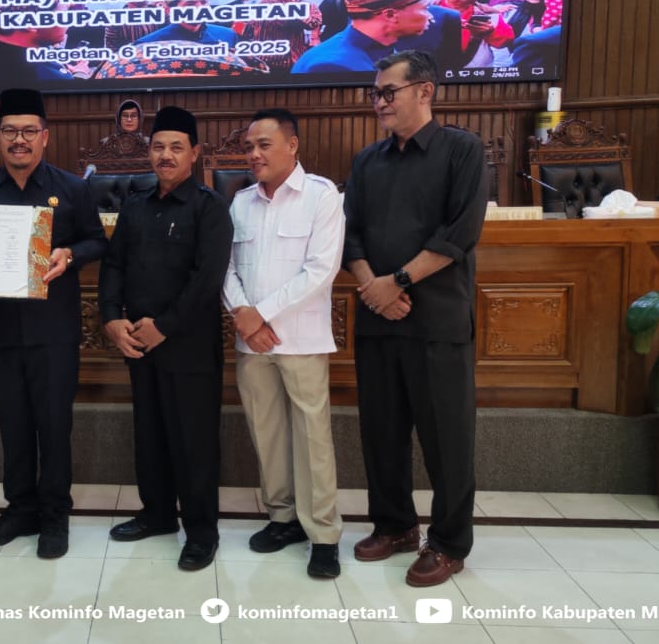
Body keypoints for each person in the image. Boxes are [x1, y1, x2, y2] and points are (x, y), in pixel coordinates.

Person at [342, 50, 488, 588]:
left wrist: (397, 282)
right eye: (375, 94)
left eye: (389, 92)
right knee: (381, 433)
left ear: (424, 91)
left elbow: (460, 232)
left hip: (437, 320)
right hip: (378, 319)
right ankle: (395, 525)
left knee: (446, 438)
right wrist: (373, 288)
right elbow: (349, 235)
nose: (379, 102)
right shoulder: (367, 161)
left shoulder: (462, 150)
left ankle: (448, 543)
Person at [0, 89, 107, 558]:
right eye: (10, 131)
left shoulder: (72, 189)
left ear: (45, 136)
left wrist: (70, 253)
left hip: (54, 332)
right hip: (3, 330)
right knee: (14, 424)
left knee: (53, 424)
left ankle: (54, 515)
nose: (19, 140)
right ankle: (20, 509)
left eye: (29, 131)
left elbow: (97, 241)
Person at [99, 106, 234, 572]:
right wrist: (111, 318)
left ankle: (201, 531)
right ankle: (157, 514)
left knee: (194, 440)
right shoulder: (136, 204)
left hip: (188, 346)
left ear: (195, 153)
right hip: (139, 344)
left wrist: (164, 326)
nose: (166, 155)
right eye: (158, 147)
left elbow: (207, 279)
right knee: (150, 434)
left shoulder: (210, 207)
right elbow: (114, 264)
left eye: (177, 147)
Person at [222, 108, 345, 579]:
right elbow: (224, 268)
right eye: (248, 147)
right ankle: (283, 518)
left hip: (301, 339)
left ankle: (324, 535)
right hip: (251, 342)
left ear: (292, 145)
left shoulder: (321, 196)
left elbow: (321, 270)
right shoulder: (240, 202)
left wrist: (261, 313)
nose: (253, 154)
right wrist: (243, 315)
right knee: (268, 433)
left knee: (313, 438)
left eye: (263, 145)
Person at [291, 0, 432, 75]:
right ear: (390, 15)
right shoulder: (334, 66)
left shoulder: (380, 48)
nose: (430, 16)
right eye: (425, 9)